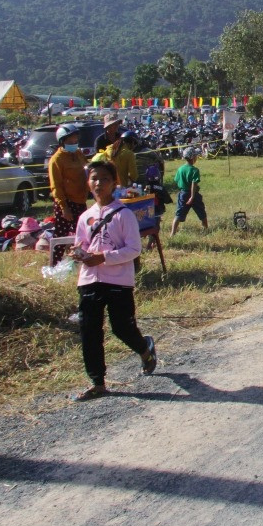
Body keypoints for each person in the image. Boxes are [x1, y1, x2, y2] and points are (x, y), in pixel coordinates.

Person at [70, 160, 158, 402]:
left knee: (122, 328)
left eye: (104, 179)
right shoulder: (85, 217)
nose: (99, 183)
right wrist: (79, 253)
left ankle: (144, 349)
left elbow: (134, 249)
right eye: (94, 179)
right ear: (88, 183)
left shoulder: (124, 214)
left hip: (118, 281)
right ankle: (97, 382)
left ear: (114, 183)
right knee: (89, 331)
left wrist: (103, 258)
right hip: (89, 280)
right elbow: (82, 245)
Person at [49, 123, 89, 264]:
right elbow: (56, 186)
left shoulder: (78, 154)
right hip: (66, 202)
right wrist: (64, 208)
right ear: (62, 141)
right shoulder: (56, 160)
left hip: (80, 201)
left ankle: (80, 261)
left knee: (83, 234)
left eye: (75, 140)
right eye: (70, 141)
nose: (73, 143)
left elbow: (86, 170)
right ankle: (55, 265)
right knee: (61, 235)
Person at [170, 146, 208, 236]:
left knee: (178, 214)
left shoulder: (180, 169)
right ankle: (206, 229)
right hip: (193, 195)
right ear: (192, 158)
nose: (196, 157)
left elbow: (176, 180)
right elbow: (193, 184)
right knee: (202, 212)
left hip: (182, 194)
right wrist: (192, 196)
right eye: (195, 156)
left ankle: (172, 233)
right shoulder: (195, 170)